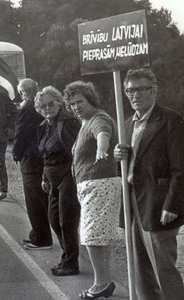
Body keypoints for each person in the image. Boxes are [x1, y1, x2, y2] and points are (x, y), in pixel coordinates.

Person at [113, 67, 184, 299]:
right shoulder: (126, 123)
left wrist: (172, 205)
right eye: (130, 91)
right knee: (139, 268)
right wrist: (118, 156)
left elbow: (182, 169)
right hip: (133, 204)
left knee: (163, 269)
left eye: (142, 89)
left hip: (159, 205)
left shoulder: (170, 120)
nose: (135, 95)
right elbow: (124, 170)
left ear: (154, 91)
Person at [65, 81, 120, 298]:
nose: (76, 107)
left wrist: (102, 149)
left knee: (91, 236)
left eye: (80, 102)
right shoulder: (86, 121)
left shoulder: (98, 118)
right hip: (92, 185)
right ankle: (103, 281)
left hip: (100, 184)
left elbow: (102, 133)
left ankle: (100, 284)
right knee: (97, 236)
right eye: (72, 104)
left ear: (91, 100)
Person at [35, 86, 81, 276]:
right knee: (54, 219)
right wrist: (44, 177)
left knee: (67, 220)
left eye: (51, 104)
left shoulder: (68, 121)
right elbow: (45, 154)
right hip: (52, 176)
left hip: (68, 175)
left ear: (59, 102)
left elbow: (78, 149)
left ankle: (71, 262)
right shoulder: (44, 125)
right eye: (43, 106)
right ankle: (68, 254)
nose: (47, 108)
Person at [12, 78, 52, 250]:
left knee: (33, 199)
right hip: (41, 156)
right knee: (40, 198)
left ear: (23, 92)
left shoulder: (27, 107)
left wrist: (15, 152)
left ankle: (41, 238)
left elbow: (22, 133)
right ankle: (39, 234)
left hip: (30, 157)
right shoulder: (40, 105)